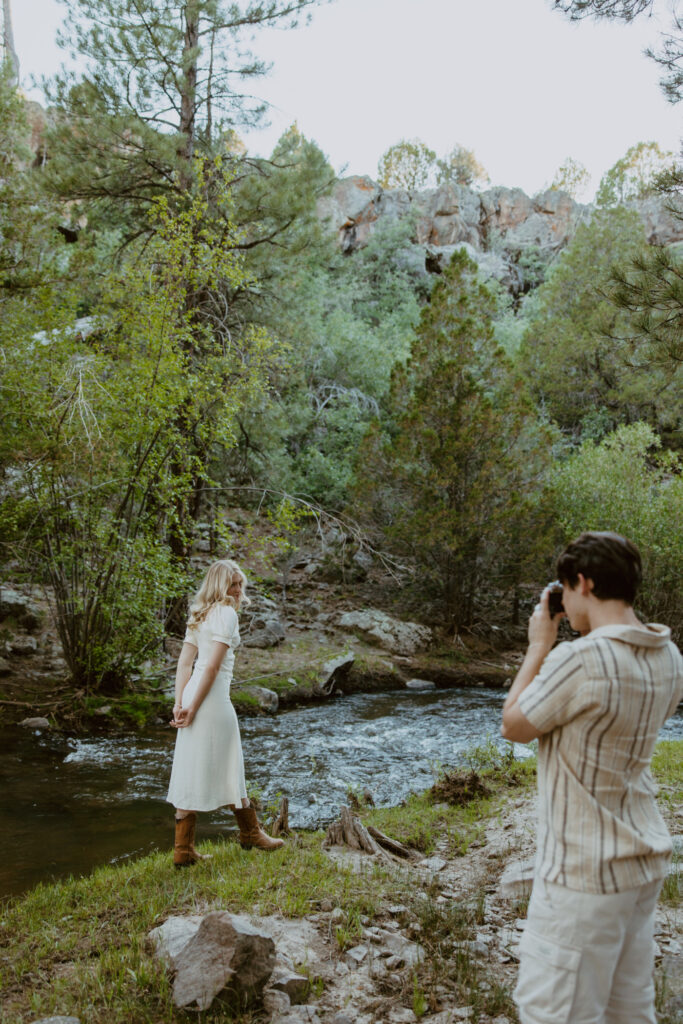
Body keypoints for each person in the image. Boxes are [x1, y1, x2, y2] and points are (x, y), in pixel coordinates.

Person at [501, 531, 683, 1024]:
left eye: (566, 589)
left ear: (582, 582)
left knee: (552, 1013)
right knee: (629, 1010)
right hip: (641, 864)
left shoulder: (580, 658)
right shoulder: (670, 657)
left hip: (583, 874)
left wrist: (540, 645)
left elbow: (514, 725)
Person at [167, 558, 284, 866]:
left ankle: (183, 850)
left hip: (195, 693)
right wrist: (186, 707)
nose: (237, 589)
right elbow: (212, 666)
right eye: (232, 583)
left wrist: (180, 702)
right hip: (212, 699)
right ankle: (250, 833)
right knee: (232, 763)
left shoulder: (199, 612)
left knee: (190, 765)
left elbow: (185, 665)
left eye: (239, 584)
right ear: (218, 584)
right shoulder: (227, 613)